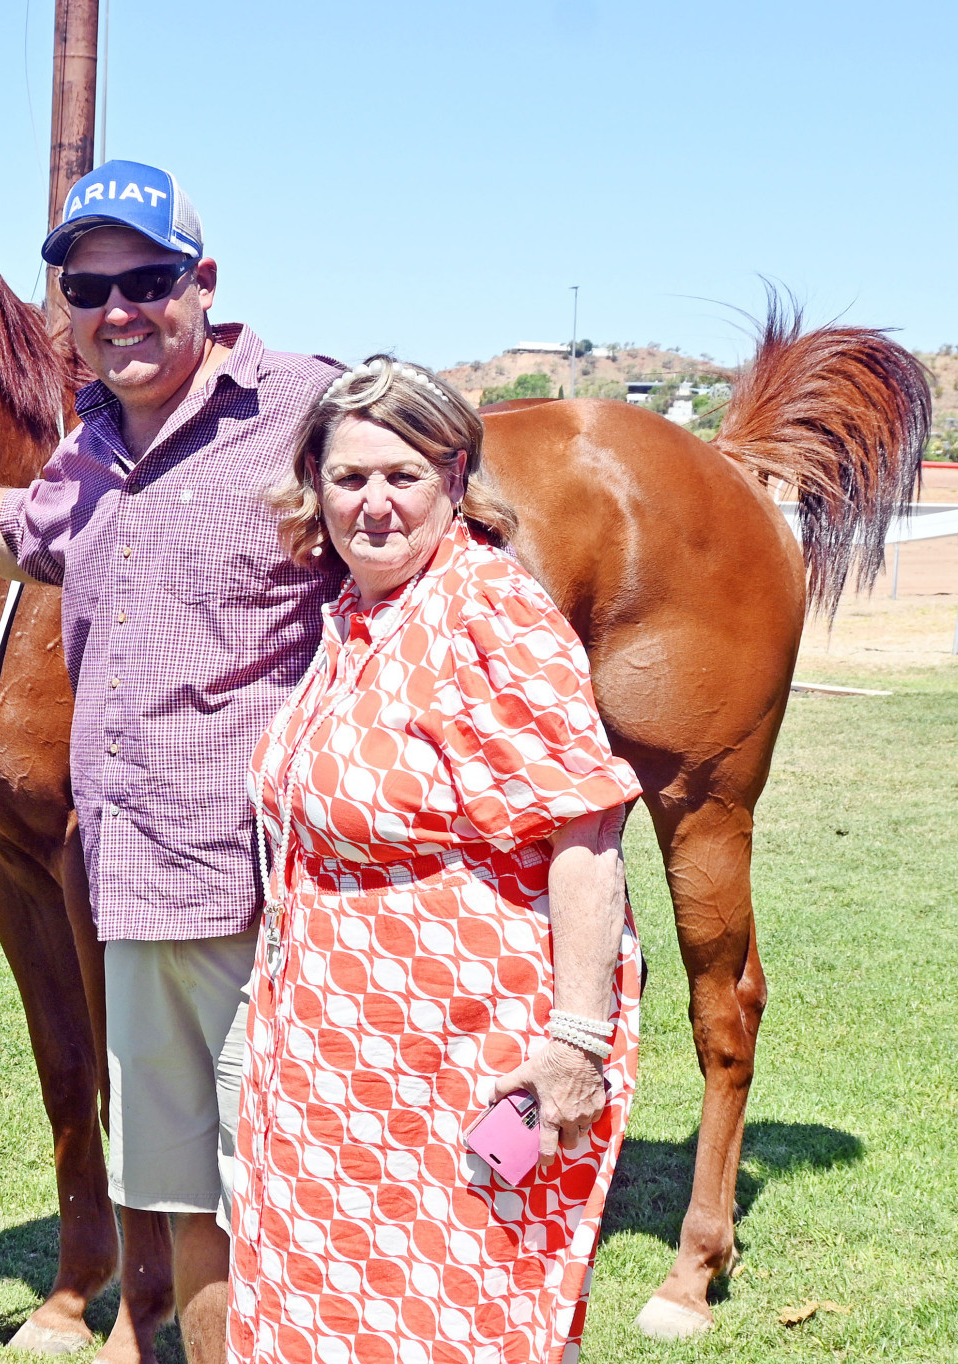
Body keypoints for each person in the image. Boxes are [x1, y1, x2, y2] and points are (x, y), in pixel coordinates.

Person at [0, 160, 340, 1362]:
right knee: (186, 1198)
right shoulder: (94, 446)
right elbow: (20, 537)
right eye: (88, 284)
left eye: (148, 279)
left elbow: (432, 519)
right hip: (133, 888)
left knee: (284, 1175)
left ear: (201, 284)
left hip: (266, 887)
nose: (120, 308)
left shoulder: (306, 405)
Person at [227, 356, 643, 1364]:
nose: (371, 504)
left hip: (457, 1054)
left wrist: (575, 1042)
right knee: (328, 1317)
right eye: (347, 476)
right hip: (334, 1058)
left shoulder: (487, 609)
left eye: (399, 475)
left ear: (454, 477)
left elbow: (585, 834)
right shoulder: (357, 617)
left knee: (455, 1319)